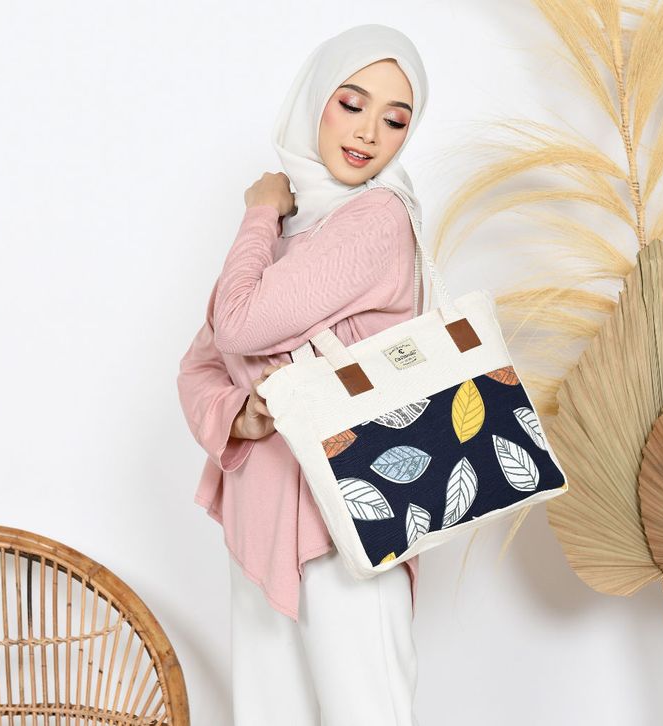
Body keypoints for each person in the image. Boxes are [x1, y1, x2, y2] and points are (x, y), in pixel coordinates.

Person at [177, 23, 429, 726]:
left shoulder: (377, 219)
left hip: (351, 511)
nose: (369, 132)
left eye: (395, 119)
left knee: (367, 713)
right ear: (315, 99)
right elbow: (199, 365)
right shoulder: (289, 237)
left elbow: (236, 326)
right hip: (261, 510)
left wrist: (259, 210)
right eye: (351, 103)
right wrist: (241, 413)